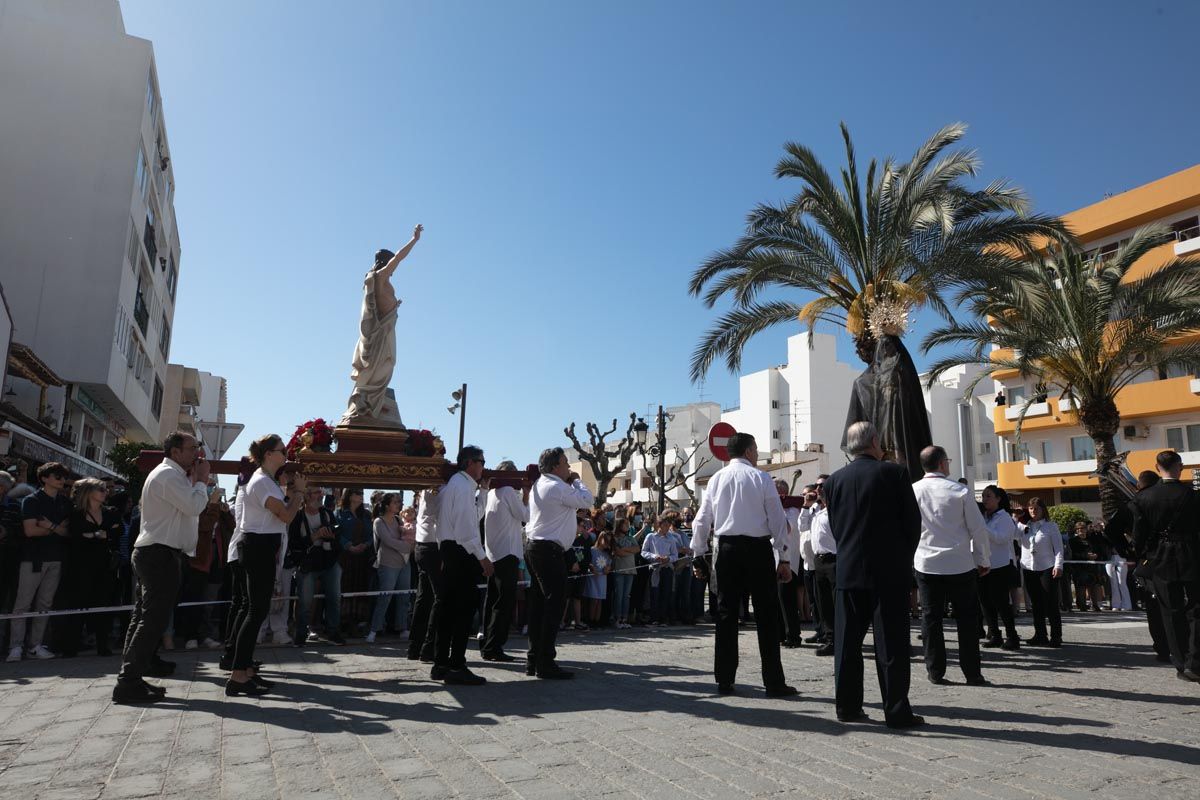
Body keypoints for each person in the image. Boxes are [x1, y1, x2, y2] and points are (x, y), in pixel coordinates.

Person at [822, 421, 923, 728]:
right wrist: (902, 558)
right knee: (891, 644)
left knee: (847, 644)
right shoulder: (895, 473)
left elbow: (836, 527)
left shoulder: (834, 481)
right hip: (888, 571)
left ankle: (848, 707)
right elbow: (912, 525)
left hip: (849, 569)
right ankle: (896, 710)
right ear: (875, 441)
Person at [690, 433, 796, 698]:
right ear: (749, 451)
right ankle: (773, 681)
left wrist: (698, 552)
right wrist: (783, 556)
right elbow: (776, 518)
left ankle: (724, 679)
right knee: (766, 615)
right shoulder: (760, 478)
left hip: (726, 549)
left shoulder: (716, 479)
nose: (758, 454)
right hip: (757, 549)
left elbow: (702, 519)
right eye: (757, 449)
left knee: (726, 614)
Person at [112, 434, 210, 703]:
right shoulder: (167, 475)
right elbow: (193, 506)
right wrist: (201, 481)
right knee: (151, 620)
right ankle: (128, 681)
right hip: (158, 555)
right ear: (176, 451)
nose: (197, 454)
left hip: (157, 553)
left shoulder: (173, 475)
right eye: (193, 449)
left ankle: (135, 672)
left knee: (144, 617)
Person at [227, 434, 306, 697]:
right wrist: (299, 495)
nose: (286, 455)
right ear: (268, 454)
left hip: (263, 547)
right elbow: (285, 516)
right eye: (282, 451)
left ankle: (246, 669)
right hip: (257, 547)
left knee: (255, 609)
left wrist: (291, 495)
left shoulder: (267, 481)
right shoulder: (261, 481)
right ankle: (238, 674)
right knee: (255, 611)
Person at [911, 445, 991, 686]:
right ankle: (972, 673)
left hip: (926, 562)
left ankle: (935, 670)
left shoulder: (913, 490)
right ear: (943, 464)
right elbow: (978, 529)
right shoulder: (960, 490)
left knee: (930, 618)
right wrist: (983, 559)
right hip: (959, 563)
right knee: (967, 619)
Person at [341, 224, 423, 425]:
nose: (392, 268)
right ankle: (366, 400)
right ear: (384, 262)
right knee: (385, 363)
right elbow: (399, 258)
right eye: (389, 263)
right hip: (380, 332)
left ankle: (365, 398)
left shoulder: (371, 280)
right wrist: (414, 240)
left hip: (383, 327)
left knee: (383, 365)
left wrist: (394, 306)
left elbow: (381, 303)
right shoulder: (381, 276)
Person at [1130, 450, 1200, 682]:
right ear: (1179, 466)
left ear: (1157, 467)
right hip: (1191, 555)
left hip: (1160, 559)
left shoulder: (1144, 497)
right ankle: (1195, 661)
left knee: (1170, 612)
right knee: (1196, 610)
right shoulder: (1192, 495)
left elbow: (1138, 534)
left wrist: (1141, 556)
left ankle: (1181, 664)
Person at [525, 447, 594, 679]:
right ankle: (545, 661)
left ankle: (535, 658)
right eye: (566, 463)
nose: (569, 468)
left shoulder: (540, 484)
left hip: (537, 548)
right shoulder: (557, 486)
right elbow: (587, 500)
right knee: (553, 607)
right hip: (548, 552)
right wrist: (577, 481)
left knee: (539, 606)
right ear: (555, 466)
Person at [432, 446, 493, 685]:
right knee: (463, 611)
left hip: (449, 549)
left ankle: (441, 663)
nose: (483, 466)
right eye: (481, 461)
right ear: (470, 463)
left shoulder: (454, 486)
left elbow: (472, 516)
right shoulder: (464, 486)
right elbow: (467, 529)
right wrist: (482, 557)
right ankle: (457, 664)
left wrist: (485, 493)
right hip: (461, 551)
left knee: (447, 610)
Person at [10, 463, 72, 662]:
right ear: (44, 478)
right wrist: (55, 528)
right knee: (23, 604)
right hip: (32, 558)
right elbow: (30, 531)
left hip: (56, 557)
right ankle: (16, 646)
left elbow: (66, 531)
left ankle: (35, 645)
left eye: (63, 476)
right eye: (57, 475)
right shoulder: (31, 500)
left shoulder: (65, 503)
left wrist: (47, 525)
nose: (61, 480)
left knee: (45, 603)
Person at [60, 477, 122, 657]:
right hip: (80, 565)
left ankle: (103, 645)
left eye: (105, 489)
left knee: (103, 604)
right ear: (89, 492)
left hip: (104, 565)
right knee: (78, 603)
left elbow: (117, 532)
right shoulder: (76, 513)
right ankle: (71, 646)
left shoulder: (111, 512)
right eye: (101, 489)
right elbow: (76, 535)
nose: (106, 492)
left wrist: (100, 534)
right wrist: (99, 534)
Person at [482, 463, 529, 661]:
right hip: (507, 553)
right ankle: (495, 647)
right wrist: (526, 495)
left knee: (492, 601)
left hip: (493, 552)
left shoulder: (492, 493)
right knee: (503, 603)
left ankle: (487, 644)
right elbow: (526, 515)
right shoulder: (508, 491)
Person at [292, 486, 343, 646]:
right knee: (305, 601)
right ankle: (300, 633)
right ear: (306, 497)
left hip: (328, 560)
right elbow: (294, 543)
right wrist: (315, 536)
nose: (320, 496)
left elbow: (338, 538)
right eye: (316, 493)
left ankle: (333, 631)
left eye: (320, 493)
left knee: (334, 598)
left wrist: (329, 537)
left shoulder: (327, 514)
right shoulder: (297, 516)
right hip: (308, 562)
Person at [1017, 497, 1064, 647]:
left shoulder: (1050, 526)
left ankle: (1056, 636)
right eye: (1031, 508)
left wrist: (1058, 566)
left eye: (1036, 508)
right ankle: (1040, 634)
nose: (1033, 511)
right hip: (1030, 568)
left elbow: (1058, 549)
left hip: (1047, 567)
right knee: (1036, 604)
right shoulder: (1025, 527)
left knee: (1050, 603)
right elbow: (1013, 536)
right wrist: (1016, 520)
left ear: (1043, 510)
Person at [979, 485, 1021, 650]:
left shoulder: (1004, 518)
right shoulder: (983, 517)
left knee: (1002, 603)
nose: (985, 499)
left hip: (1000, 565)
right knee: (985, 602)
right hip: (983, 565)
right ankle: (995, 634)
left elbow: (1002, 538)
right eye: (983, 496)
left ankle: (1012, 636)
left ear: (998, 499)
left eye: (988, 496)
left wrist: (983, 529)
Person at [368, 491, 409, 644]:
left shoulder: (399, 520)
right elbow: (388, 541)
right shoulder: (378, 522)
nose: (398, 504)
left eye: (399, 502)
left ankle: (402, 627)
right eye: (395, 502)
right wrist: (407, 547)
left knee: (404, 596)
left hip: (404, 563)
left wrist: (408, 544)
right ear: (387, 505)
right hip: (387, 563)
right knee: (385, 597)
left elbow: (408, 534)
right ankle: (374, 629)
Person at [407, 488, 441, 662]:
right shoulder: (436, 490)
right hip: (433, 546)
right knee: (439, 598)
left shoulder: (428, 490)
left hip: (423, 545)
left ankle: (415, 647)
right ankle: (429, 648)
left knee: (424, 598)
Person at [335, 488, 374, 637]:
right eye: (358, 492)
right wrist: (348, 546)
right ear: (350, 496)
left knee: (359, 587)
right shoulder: (339, 513)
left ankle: (356, 623)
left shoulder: (366, 514)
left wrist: (365, 545)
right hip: (344, 557)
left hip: (362, 558)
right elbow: (336, 533)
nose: (361, 495)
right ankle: (341, 622)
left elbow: (371, 535)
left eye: (362, 493)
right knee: (344, 586)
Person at [642, 514, 678, 626]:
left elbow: (675, 555)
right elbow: (643, 552)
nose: (667, 528)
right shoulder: (650, 537)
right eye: (665, 525)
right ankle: (654, 618)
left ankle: (663, 618)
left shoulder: (671, 538)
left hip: (667, 568)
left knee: (666, 593)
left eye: (668, 525)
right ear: (659, 525)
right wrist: (654, 557)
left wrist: (668, 558)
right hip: (655, 569)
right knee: (654, 593)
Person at [1068, 520, 1106, 612]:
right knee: (1081, 587)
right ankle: (1082, 605)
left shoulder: (1091, 540)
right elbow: (1073, 554)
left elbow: (1099, 550)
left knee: (1094, 586)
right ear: (1076, 530)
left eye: (1083, 528)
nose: (1081, 530)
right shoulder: (1073, 541)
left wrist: (1096, 555)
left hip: (1092, 567)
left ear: (1086, 529)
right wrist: (1086, 556)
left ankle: (1095, 604)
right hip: (1079, 567)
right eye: (1079, 529)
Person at [610, 518, 638, 629]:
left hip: (631, 570)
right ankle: (617, 618)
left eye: (628, 523)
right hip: (619, 570)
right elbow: (618, 552)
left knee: (626, 596)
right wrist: (628, 550)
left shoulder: (631, 538)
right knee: (619, 595)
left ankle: (624, 618)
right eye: (625, 524)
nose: (627, 526)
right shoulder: (614, 538)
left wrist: (625, 549)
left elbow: (637, 549)